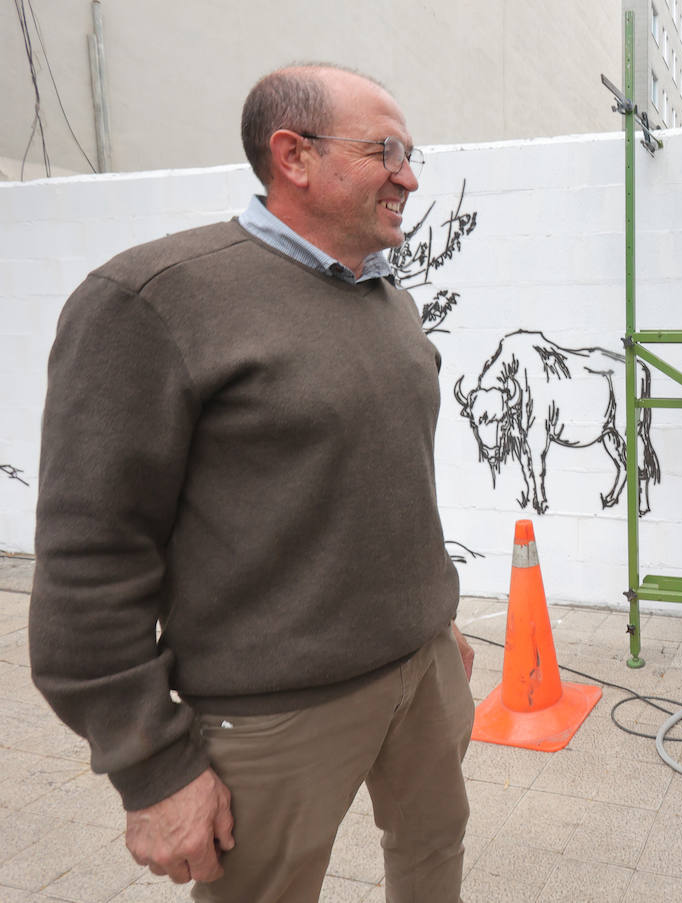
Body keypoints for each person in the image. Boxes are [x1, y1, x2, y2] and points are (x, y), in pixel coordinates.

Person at [29, 63, 476, 902]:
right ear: (293, 156)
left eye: (411, 153)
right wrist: (153, 767)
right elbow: (93, 555)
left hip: (423, 671)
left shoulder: (387, 298)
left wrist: (432, 618)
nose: (410, 176)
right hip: (275, 713)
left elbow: (386, 482)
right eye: (385, 150)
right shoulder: (152, 300)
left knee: (433, 852)